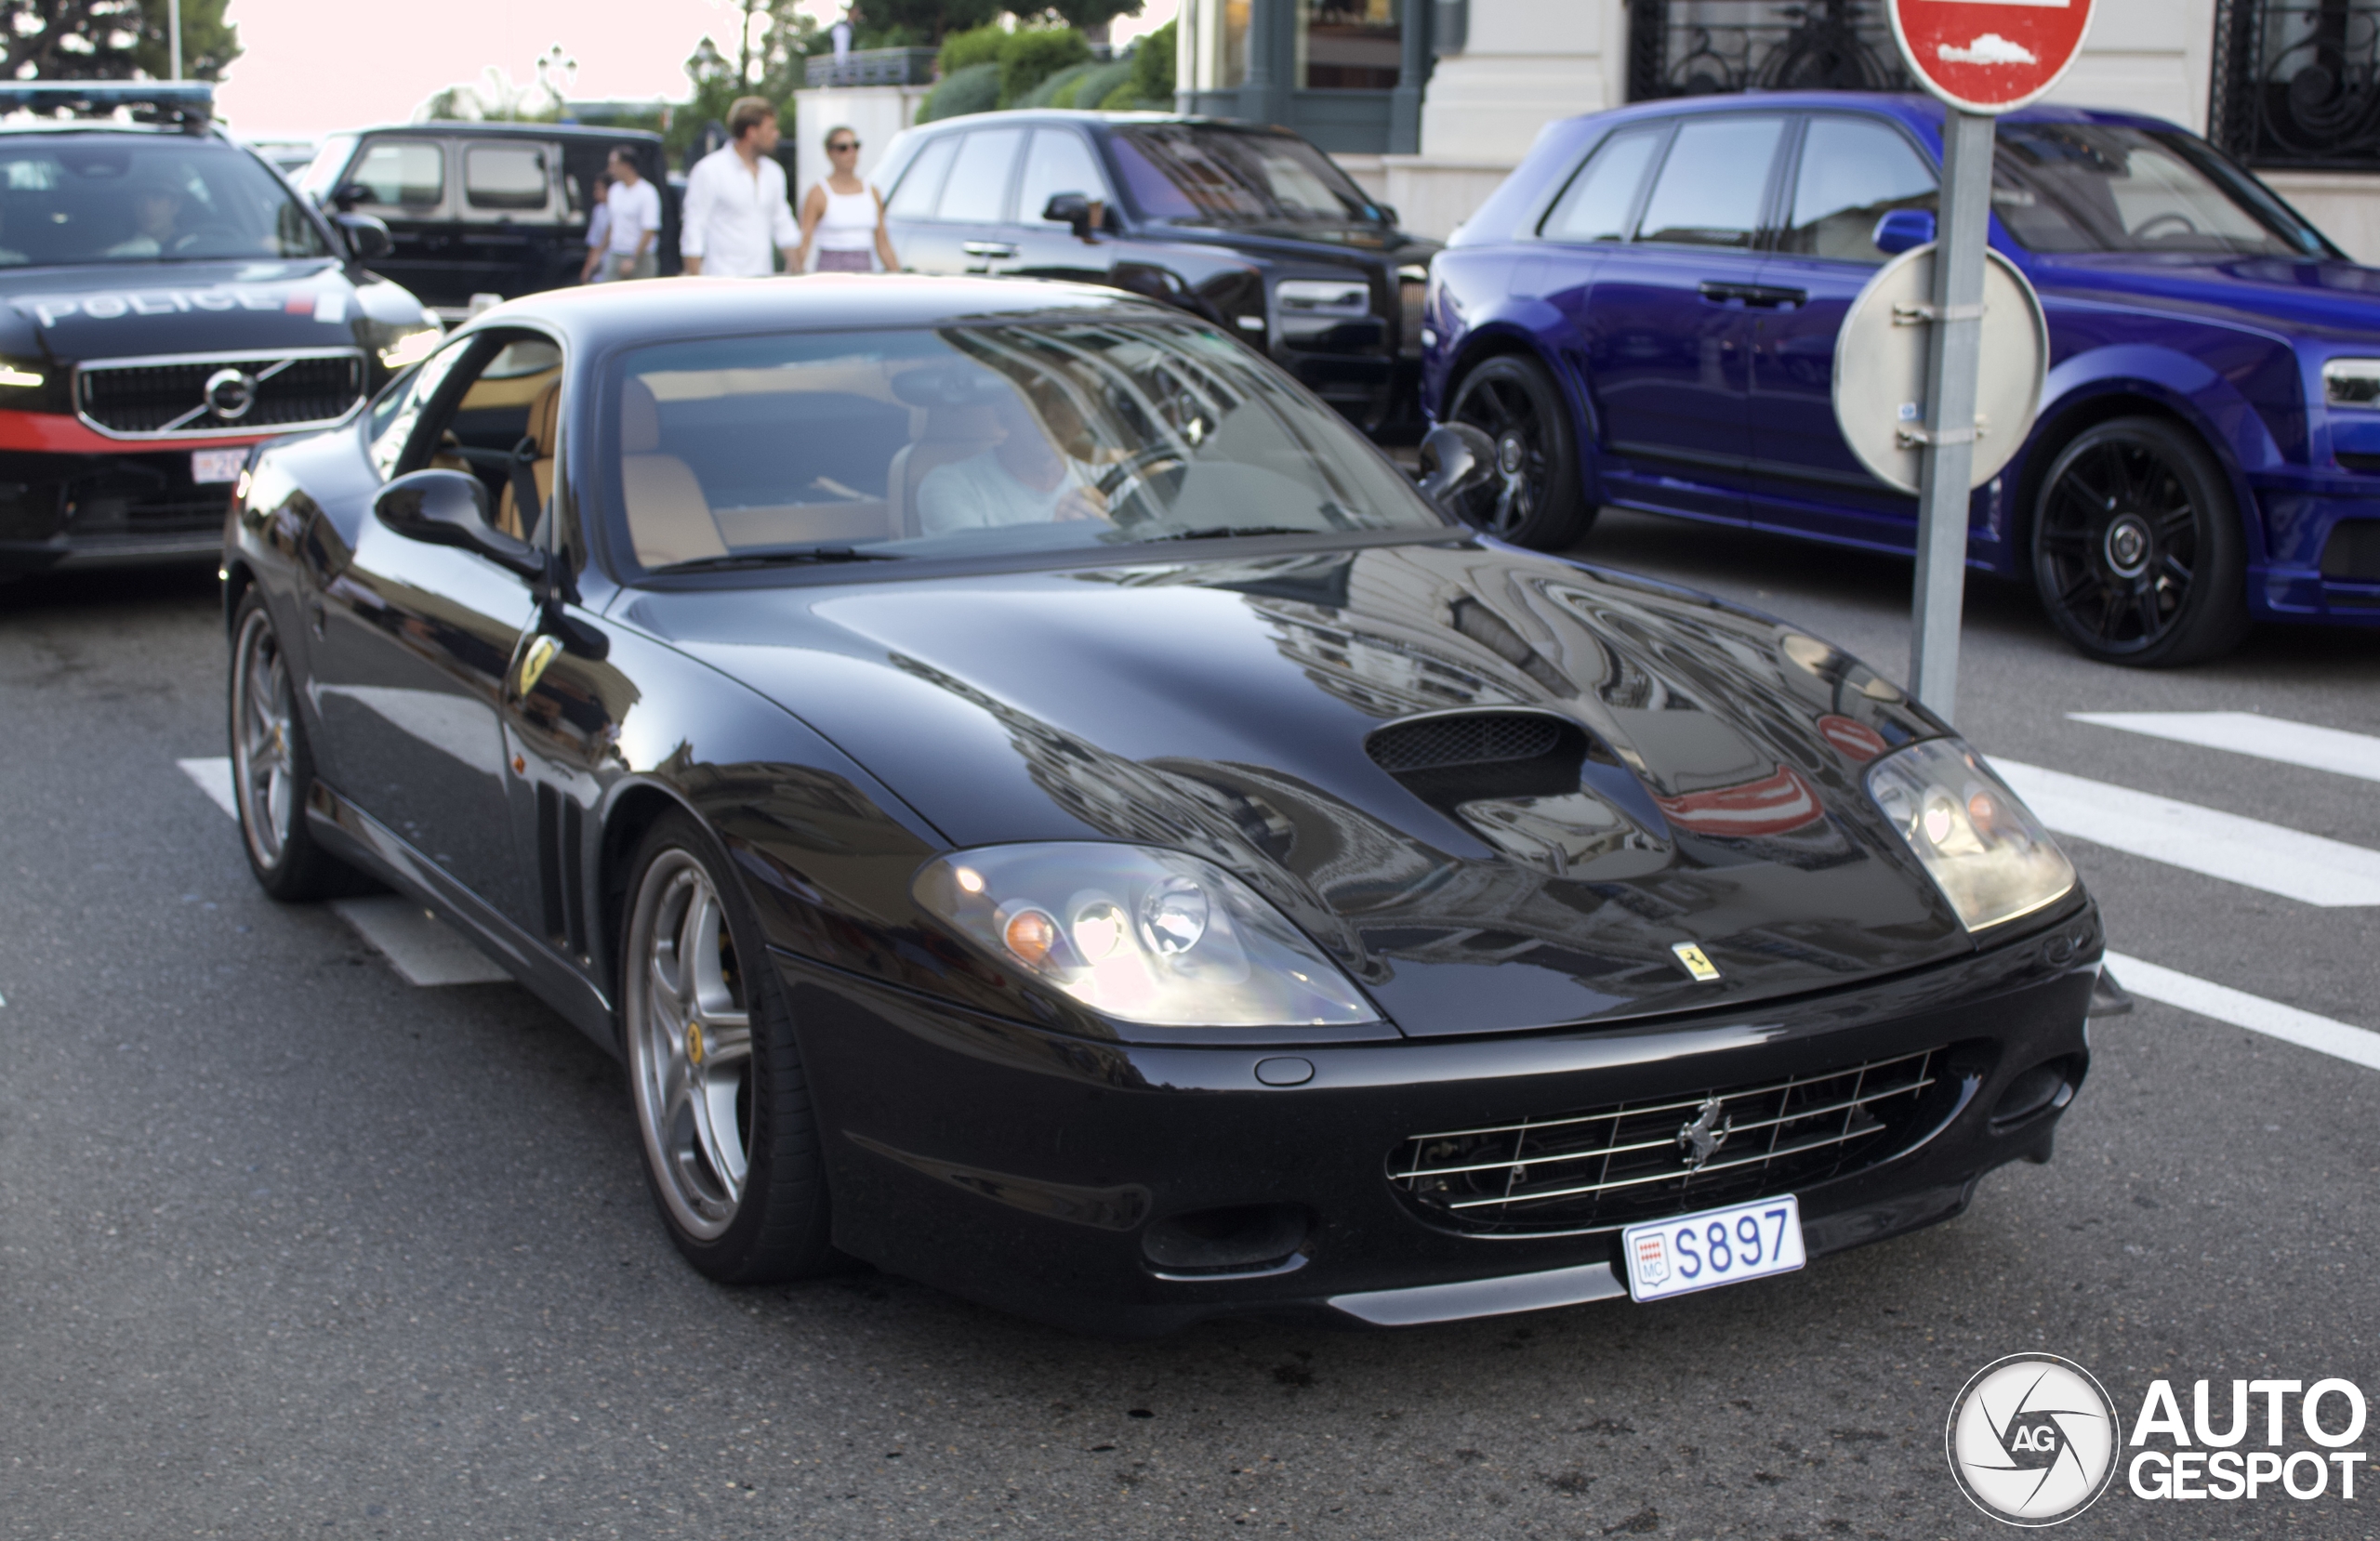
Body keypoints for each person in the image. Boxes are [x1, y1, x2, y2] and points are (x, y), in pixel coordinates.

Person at [915, 381, 1110, 536]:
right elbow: (975, 575)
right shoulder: (951, 485)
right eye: (1033, 397)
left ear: (1083, 417)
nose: (1050, 414)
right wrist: (1057, 536)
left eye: (1063, 397)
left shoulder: (1107, 481)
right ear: (1002, 408)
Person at [679, 96, 799, 278]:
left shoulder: (773, 172)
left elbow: (783, 223)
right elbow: (694, 228)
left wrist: (798, 269)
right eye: (771, 128)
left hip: (763, 281)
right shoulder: (709, 170)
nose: (777, 134)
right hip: (721, 282)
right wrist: (697, 283)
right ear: (751, 132)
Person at [795, 126, 897, 274]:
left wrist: (898, 276)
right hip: (830, 271)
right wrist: (794, 274)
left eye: (855, 146)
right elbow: (804, 242)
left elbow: (883, 243)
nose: (851, 153)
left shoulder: (872, 191)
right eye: (843, 148)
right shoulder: (818, 193)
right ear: (830, 152)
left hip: (864, 270)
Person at [601, 148, 662, 282]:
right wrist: (600, 252)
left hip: (640, 256)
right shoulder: (614, 191)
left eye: (613, 165)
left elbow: (649, 230)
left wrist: (633, 258)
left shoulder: (647, 192)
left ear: (626, 166)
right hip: (616, 252)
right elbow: (612, 224)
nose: (610, 170)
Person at [579, 178, 612, 283]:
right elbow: (594, 242)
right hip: (600, 264)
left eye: (599, 189)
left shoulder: (618, 209)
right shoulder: (598, 211)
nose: (595, 193)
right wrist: (588, 267)